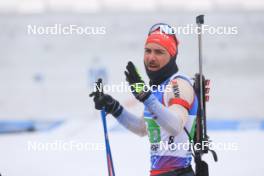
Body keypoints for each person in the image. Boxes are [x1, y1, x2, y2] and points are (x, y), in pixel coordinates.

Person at [90, 23, 197, 176]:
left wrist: (146, 97)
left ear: (172, 56)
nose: (151, 58)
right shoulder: (157, 88)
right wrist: (114, 108)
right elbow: (142, 128)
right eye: (148, 51)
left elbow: (175, 126)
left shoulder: (178, 84)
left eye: (159, 52)